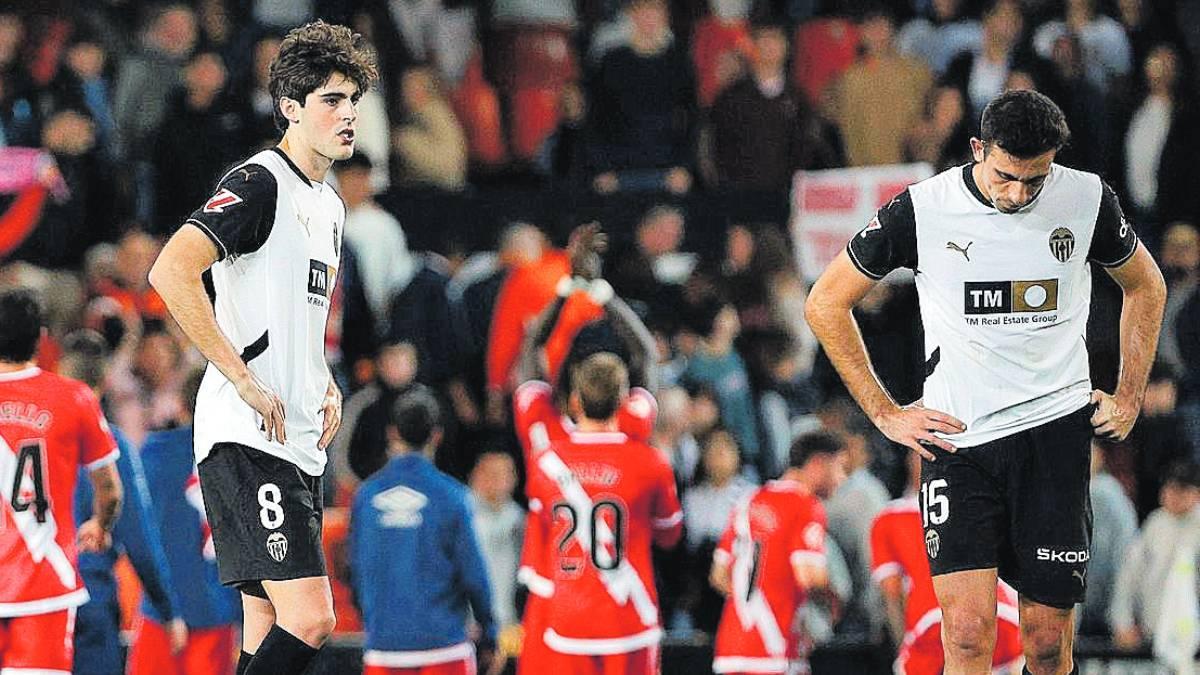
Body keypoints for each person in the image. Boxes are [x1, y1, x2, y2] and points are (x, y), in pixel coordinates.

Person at [805, 89, 1167, 675]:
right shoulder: (922, 208)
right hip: (958, 442)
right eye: (1006, 177)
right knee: (969, 633)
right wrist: (885, 413)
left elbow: (1146, 286)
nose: (1020, 194)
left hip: (1054, 438)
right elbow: (825, 303)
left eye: (1035, 179)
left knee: (1046, 644)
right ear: (978, 149)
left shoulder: (1087, 198)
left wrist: (1128, 394)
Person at [147, 20, 378, 675]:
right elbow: (171, 269)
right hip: (248, 438)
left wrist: (323, 380)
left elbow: (298, 315)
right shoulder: (260, 181)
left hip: (296, 436)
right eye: (331, 100)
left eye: (353, 100)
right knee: (314, 619)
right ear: (290, 108)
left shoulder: (329, 207)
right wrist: (241, 376)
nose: (347, 113)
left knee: (266, 624)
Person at [523, 352, 682, 673]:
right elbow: (670, 536)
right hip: (629, 617)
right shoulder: (650, 462)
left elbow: (541, 534)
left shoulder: (546, 463)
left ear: (575, 400)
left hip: (567, 618)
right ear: (624, 400)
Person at [0, 288, 124, 674]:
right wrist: (100, 525)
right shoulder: (73, 398)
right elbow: (109, 489)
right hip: (45, 585)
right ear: (41, 338)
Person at [349, 389, 497, 674]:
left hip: (384, 648)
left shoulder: (365, 498)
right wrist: (489, 632)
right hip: (444, 647)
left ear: (392, 433)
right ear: (437, 435)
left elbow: (355, 569)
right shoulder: (453, 497)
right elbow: (474, 574)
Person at [127, 368, 243, 675]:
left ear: (182, 405)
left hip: (162, 612)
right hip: (217, 610)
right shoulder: (243, 462)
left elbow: (135, 533)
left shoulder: (152, 455)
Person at [870, 452, 1024, 674]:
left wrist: (904, 644)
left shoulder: (888, 518)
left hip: (931, 621)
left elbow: (892, 593)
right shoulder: (989, 507)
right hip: (1003, 614)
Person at [707, 430, 846, 675]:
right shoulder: (805, 505)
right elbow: (809, 577)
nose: (841, 479)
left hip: (731, 647)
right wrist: (833, 601)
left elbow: (719, 576)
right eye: (839, 468)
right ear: (818, 464)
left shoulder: (747, 500)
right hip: (776, 648)